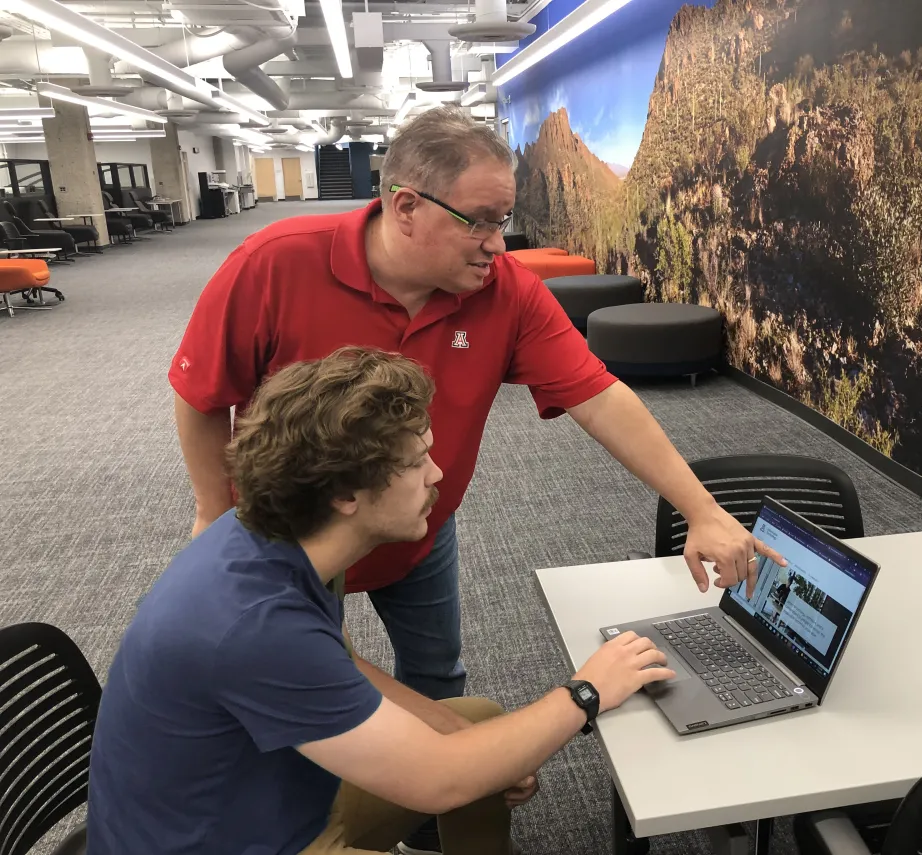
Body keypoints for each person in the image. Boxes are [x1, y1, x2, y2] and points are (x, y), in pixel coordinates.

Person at [170, 104, 784, 851]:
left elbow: (600, 397)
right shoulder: (273, 263)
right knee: (306, 683)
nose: (500, 242)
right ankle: (369, 795)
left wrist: (702, 509)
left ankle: (433, 818)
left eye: (506, 219)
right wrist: (212, 511)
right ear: (405, 208)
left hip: (415, 528)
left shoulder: (505, 290)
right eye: (482, 221)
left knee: (437, 678)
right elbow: (204, 393)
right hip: (299, 539)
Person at [88, 347, 676, 855]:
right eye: (416, 461)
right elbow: (438, 782)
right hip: (233, 841)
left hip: (273, 793)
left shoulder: (279, 536)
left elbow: (337, 662)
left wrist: (460, 738)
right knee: (461, 767)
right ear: (345, 491)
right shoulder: (251, 623)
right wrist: (586, 691)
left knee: (478, 727)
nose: (437, 473)